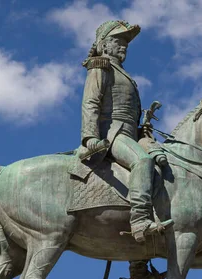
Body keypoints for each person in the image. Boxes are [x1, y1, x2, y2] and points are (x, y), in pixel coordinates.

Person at [80, 20, 172, 243]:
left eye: (125, 43)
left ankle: (139, 263)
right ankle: (140, 220)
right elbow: (91, 102)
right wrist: (90, 137)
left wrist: (144, 128)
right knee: (143, 162)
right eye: (117, 41)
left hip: (132, 133)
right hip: (113, 133)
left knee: (163, 164)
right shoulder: (100, 66)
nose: (124, 46)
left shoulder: (124, 73)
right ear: (103, 44)